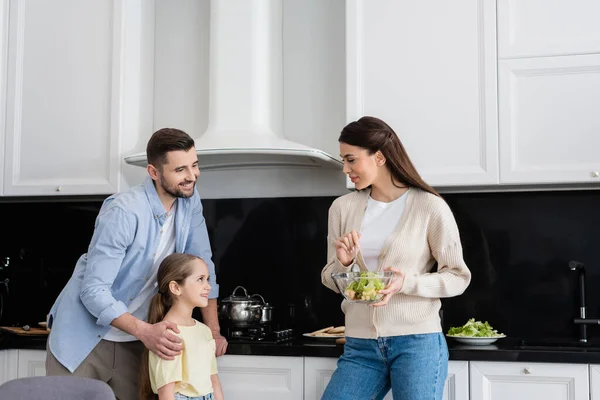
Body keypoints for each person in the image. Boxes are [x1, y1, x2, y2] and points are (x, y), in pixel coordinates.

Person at [45, 128, 227, 400]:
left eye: (195, 165)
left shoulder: (189, 201)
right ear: (154, 172)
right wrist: (146, 332)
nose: (191, 176)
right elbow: (94, 291)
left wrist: (213, 332)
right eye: (180, 170)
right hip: (84, 338)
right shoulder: (123, 211)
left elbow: (203, 264)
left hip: (137, 340)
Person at [320, 116, 472, 400]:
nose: (345, 169)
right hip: (360, 345)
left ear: (379, 156)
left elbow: (457, 277)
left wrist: (407, 283)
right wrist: (343, 263)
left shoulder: (429, 206)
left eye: (351, 160)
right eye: (343, 160)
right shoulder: (342, 208)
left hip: (418, 343)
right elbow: (331, 279)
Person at [140, 253, 224, 400]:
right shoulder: (167, 335)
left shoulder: (204, 331)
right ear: (176, 288)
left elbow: (214, 381)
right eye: (200, 279)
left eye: (207, 279)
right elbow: (166, 394)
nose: (208, 286)